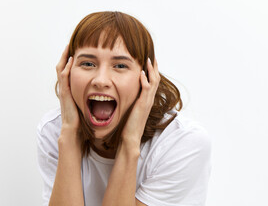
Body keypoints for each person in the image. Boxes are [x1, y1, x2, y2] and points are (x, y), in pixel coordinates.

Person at [37, 11, 211, 206]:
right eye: (87, 63)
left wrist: (130, 142)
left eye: (120, 65)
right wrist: (69, 136)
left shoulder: (181, 143)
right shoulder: (54, 132)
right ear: (66, 72)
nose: (101, 80)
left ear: (146, 78)